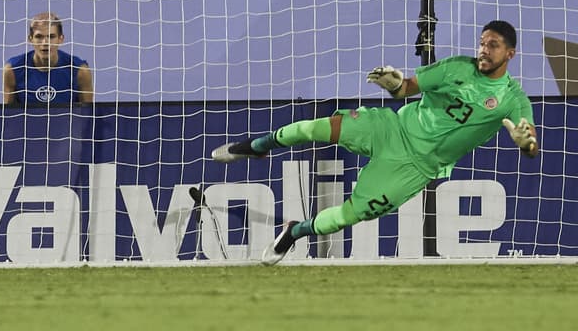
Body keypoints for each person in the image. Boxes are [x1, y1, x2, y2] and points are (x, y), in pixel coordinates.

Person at [212, 21, 538, 265]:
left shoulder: (513, 99)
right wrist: (393, 84)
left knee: (350, 216)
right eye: (482, 43)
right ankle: (258, 146)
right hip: (391, 128)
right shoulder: (456, 68)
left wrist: (525, 143)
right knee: (316, 128)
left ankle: (295, 231)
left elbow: (530, 143)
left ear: (510, 53)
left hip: (415, 167)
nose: (483, 50)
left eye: (493, 45)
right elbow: (406, 90)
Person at [2, 12, 94, 106]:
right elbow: (9, 116)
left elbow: (86, 116)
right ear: (30, 39)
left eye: (51, 36)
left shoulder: (80, 71)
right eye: (39, 37)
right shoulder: (13, 70)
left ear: (61, 39)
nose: (45, 43)